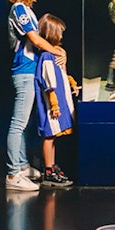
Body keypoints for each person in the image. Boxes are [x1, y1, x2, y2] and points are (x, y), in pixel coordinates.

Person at [4, 0, 64, 191]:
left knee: (24, 124)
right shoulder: (19, 9)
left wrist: (58, 50)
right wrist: (58, 51)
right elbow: (35, 40)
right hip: (24, 73)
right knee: (18, 124)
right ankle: (12, 175)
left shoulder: (27, 10)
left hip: (31, 73)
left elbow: (40, 41)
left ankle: (21, 166)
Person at [34, 14, 77, 188]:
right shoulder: (47, 56)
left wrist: (72, 83)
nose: (61, 36)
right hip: (52, 106)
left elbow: (61, 75)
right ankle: (48, 171)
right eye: (59, 32)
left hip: (56, 104)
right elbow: (49, 84)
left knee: (52, 137)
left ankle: (51, 167)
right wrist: (54, 105)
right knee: (49, 136)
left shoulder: (55, 54)